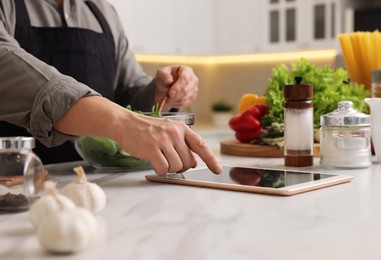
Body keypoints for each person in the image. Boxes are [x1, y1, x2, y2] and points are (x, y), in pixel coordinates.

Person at [0, 0, 222, 176]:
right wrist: (122, 122)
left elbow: (128, 92)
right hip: (15, 186)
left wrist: (159, 93)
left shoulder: (104, 12)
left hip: (100, 182)